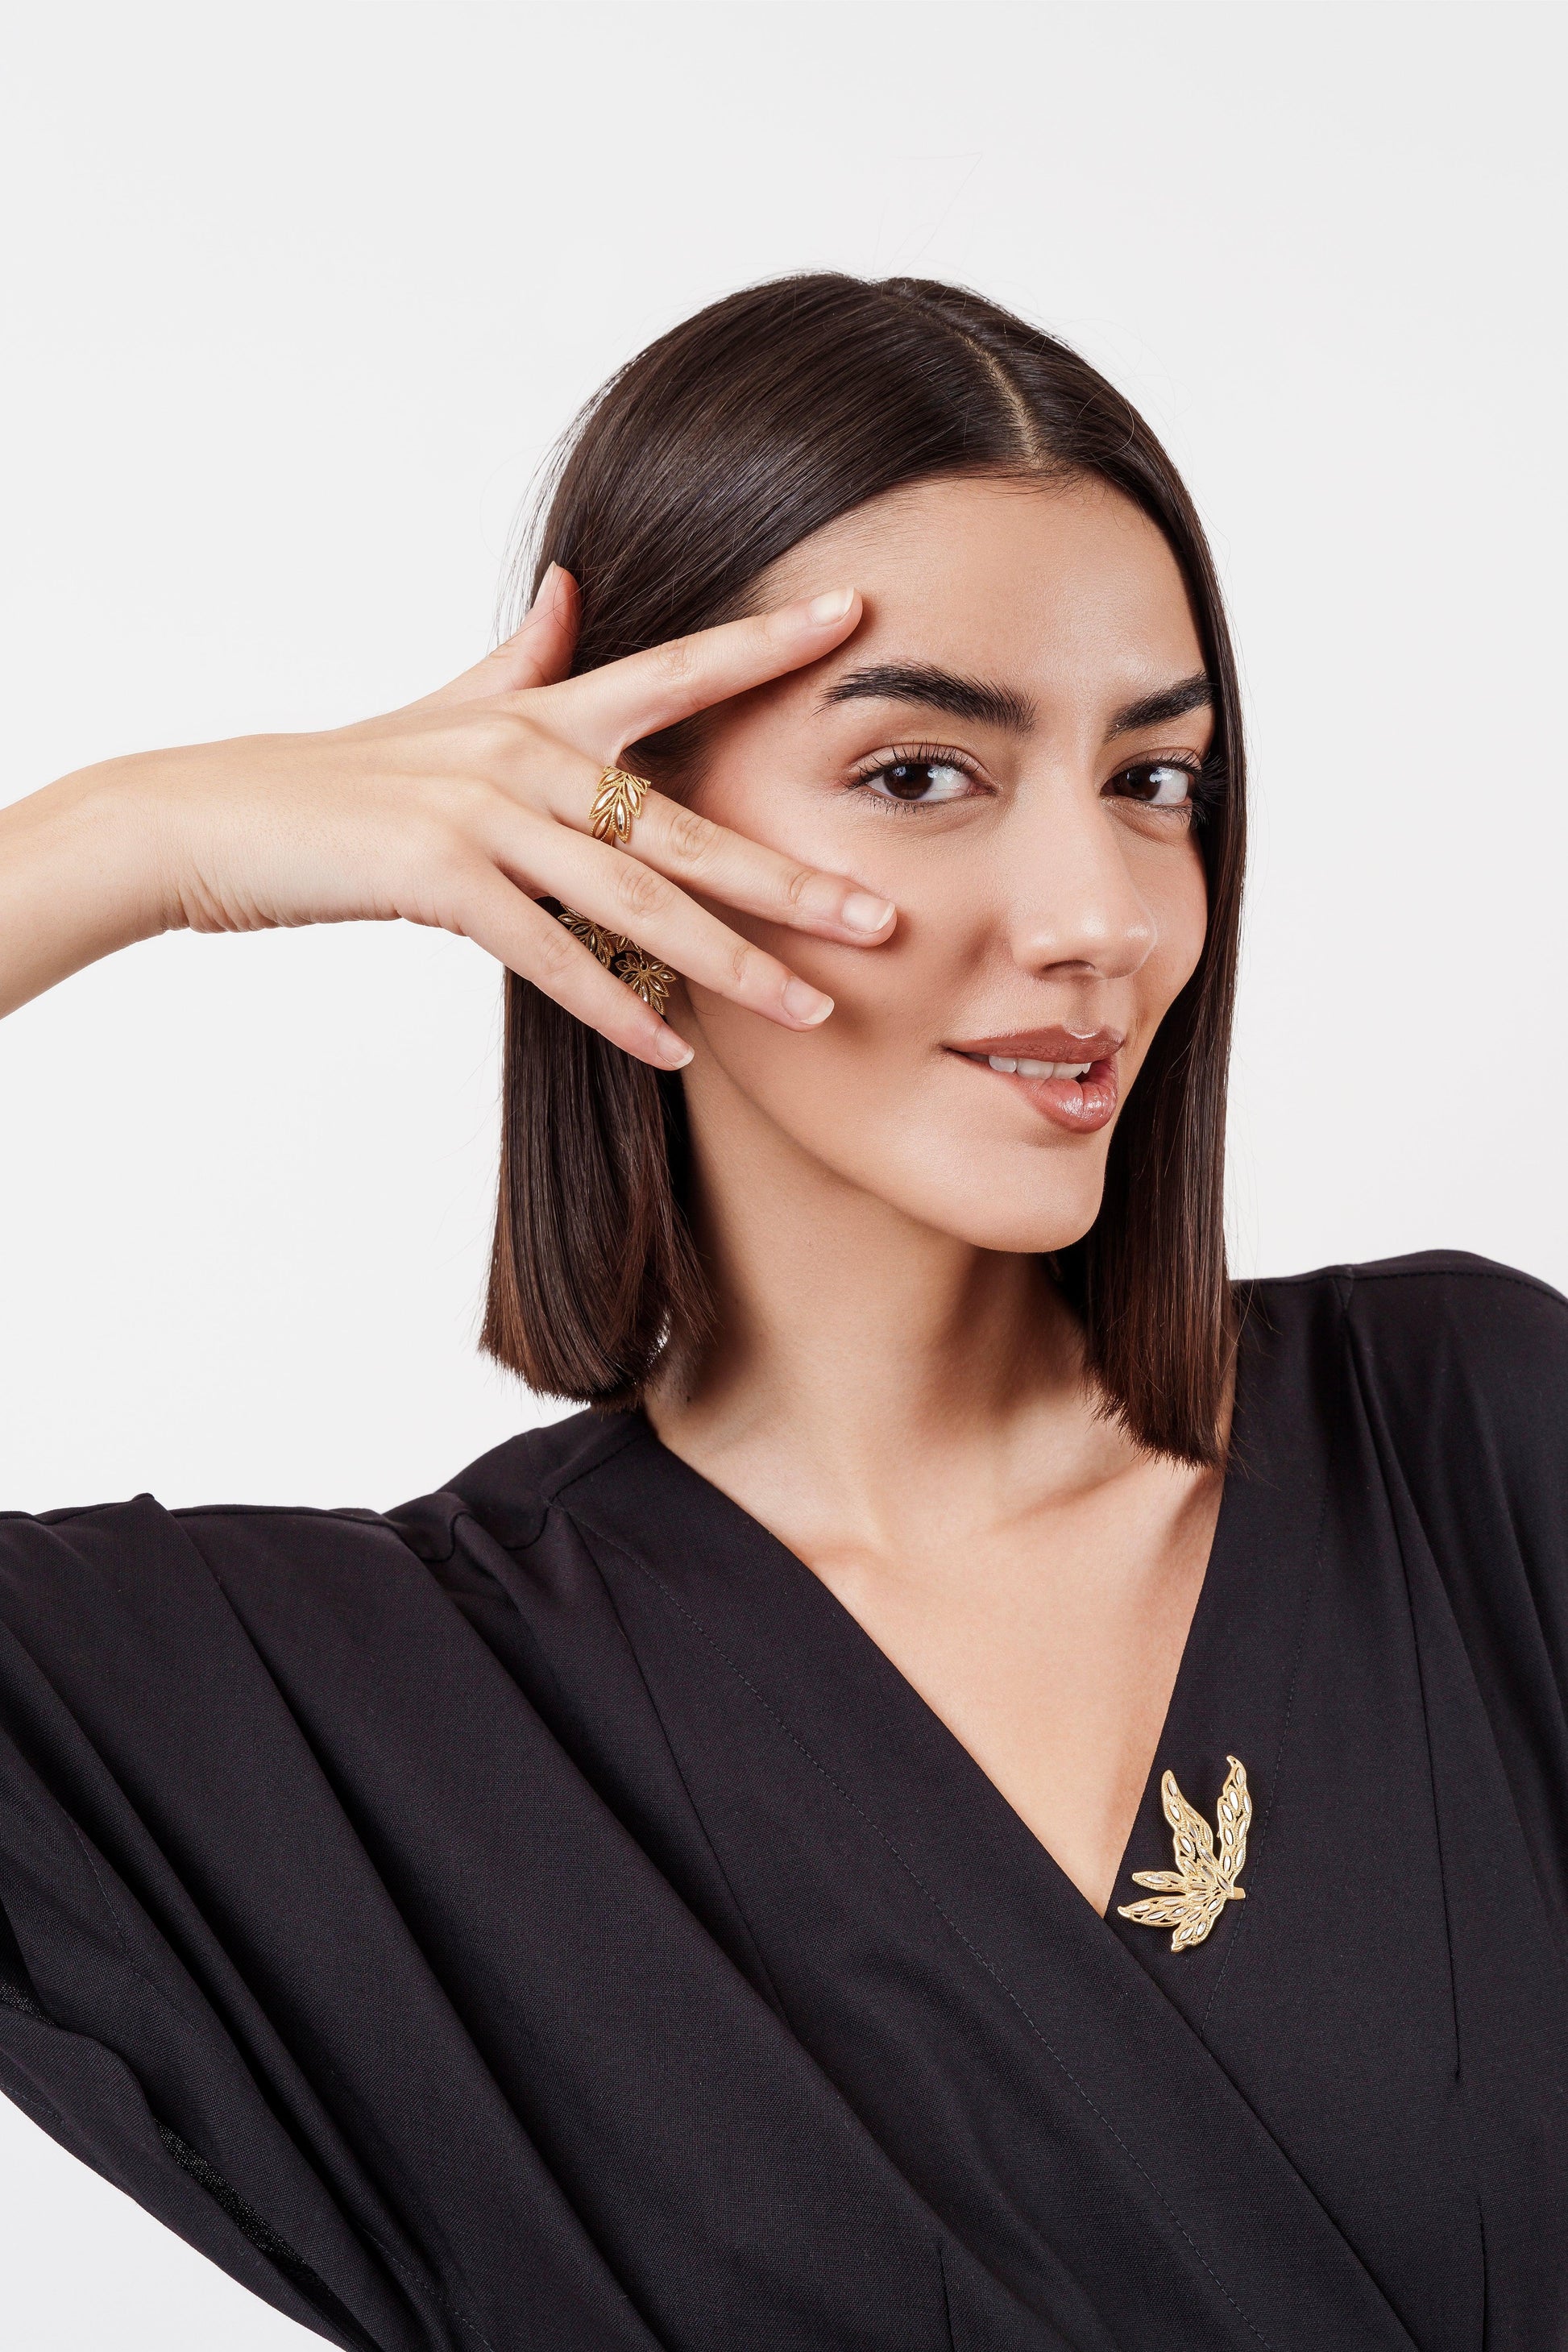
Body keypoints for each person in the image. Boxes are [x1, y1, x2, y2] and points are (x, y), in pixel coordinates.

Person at [0, 273, 1563, 2352]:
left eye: (1157, 781)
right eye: (921, 774)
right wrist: (146, 839)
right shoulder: (364, 1721)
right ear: (606, 819)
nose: (1103, 914)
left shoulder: (1469, 1445)